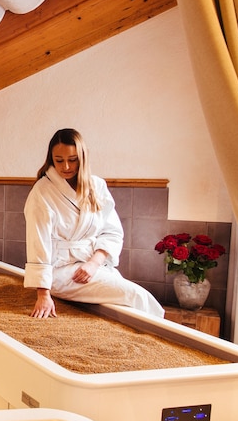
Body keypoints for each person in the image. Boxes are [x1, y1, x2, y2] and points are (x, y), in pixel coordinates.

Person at [24, 128, 164, 319]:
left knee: (129, 301)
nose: (66, 166)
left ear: (82, 158)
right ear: (51, 159)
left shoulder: (96, 186)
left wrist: (93, 263)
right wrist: (43, 295)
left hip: (93, 265)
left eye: (72, 159)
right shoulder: (42, 192)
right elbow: (38, 243)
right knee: (137, 296)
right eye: (59, 160)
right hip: (61, 272)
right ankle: (163, 334)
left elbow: (112, 232)